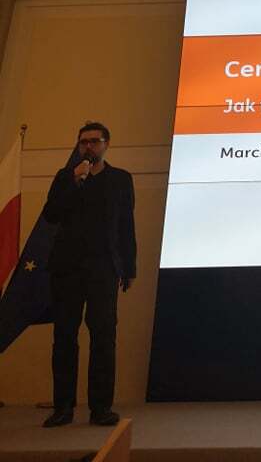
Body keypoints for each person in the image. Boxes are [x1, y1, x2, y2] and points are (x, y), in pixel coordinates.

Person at [40, 122, 136, 428]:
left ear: (106, 144)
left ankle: (101, 408)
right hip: (66, 269)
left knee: (104, 337)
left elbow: (126, 226)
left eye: (95, 141)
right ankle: (63, 408)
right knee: (64, 337)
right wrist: (73, 181)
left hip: (104, 269)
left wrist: (129, 267)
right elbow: (51, 215)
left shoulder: (120, 179)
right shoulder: (65, 176)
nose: (89, 146)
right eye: (84, 142)